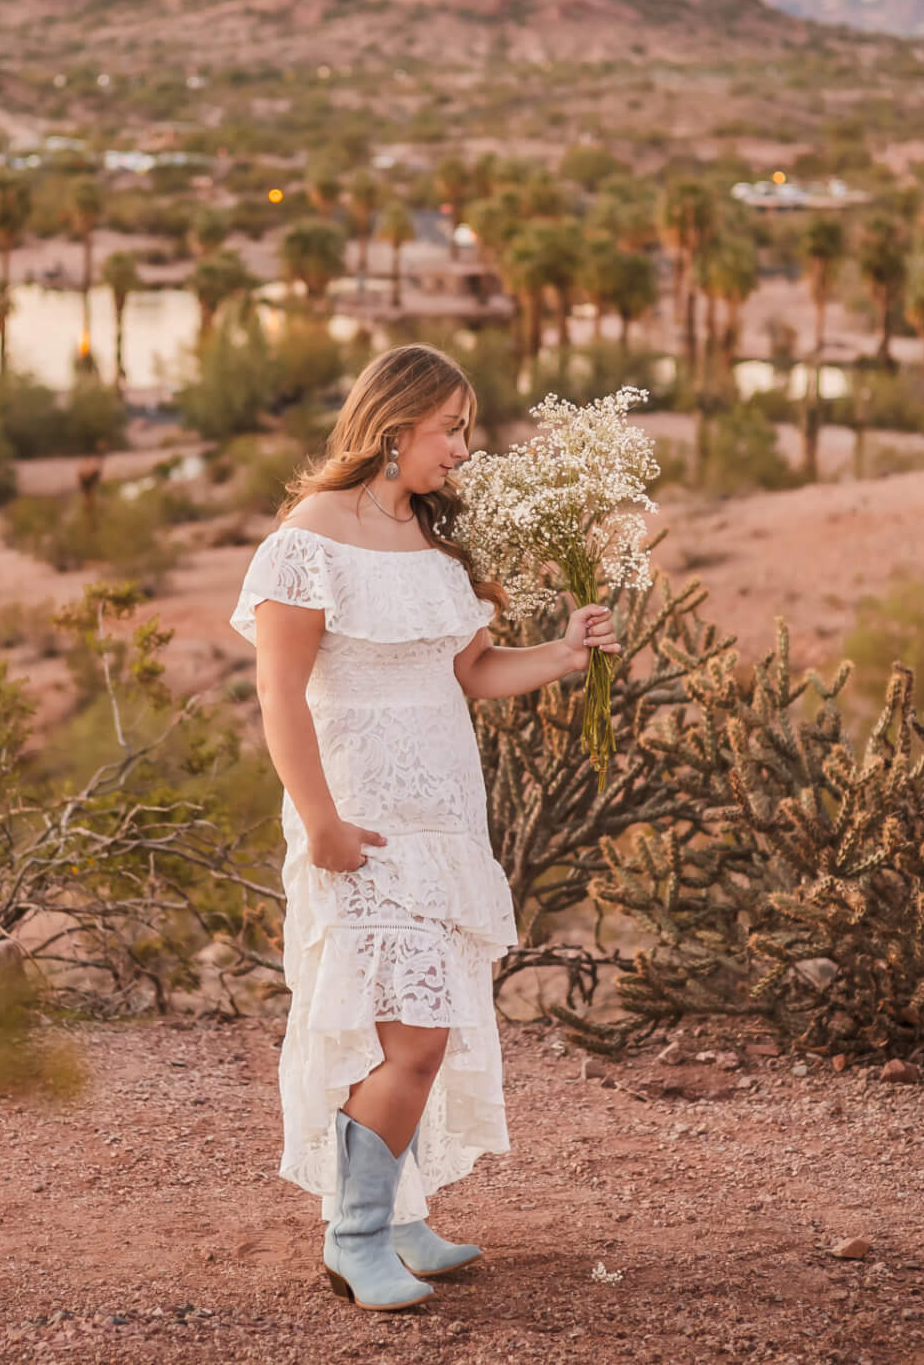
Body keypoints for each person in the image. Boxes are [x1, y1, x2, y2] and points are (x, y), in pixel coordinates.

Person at [229, 344, 620, 1312]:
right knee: (410, 1036)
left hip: (444, 818)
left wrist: (566, 655)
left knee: (424, 1026)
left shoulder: (437, 543)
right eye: (450, 428)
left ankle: (399, 1220)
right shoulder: (307, 539)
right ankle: (354, 1238)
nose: (461, 449)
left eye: (465, 430)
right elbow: (278, 692)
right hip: (360, 821)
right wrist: (320, 822)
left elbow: (472, 673)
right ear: (393, 425)